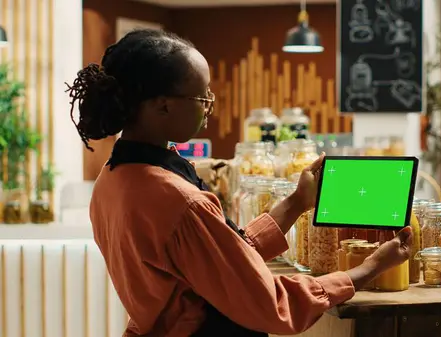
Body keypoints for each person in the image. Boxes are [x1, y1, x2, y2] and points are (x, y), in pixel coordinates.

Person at [65, 29, 413, 337]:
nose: (208, 108)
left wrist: (296, 202)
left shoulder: (112, 179)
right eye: (202, 98)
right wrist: (370, 267)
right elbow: (269, 303)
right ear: (162, 106)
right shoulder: (180, 201)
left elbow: (221, 260)